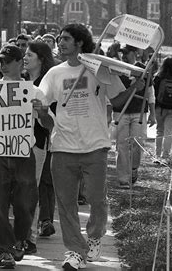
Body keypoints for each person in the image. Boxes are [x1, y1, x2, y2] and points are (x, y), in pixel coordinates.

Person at [38, 23, 144, 269]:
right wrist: (42, 113)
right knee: (65, 204)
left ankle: (95, 237)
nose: (60, 43)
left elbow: (117, 100)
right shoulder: (54, 73)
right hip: (63, 147)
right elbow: (43, 108)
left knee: (97, 200)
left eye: (66, 39)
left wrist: (134, 89)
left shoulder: (100, 69)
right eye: (59, 39)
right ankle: (75, 251)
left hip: (95, 146)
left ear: (80, 43)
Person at [0, 44, 51, 269]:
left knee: (25, 203)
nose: (2, 66)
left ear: (18, 63)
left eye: (7, 61)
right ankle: (4, 250)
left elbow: (49, 124)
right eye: (0, 61)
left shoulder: (33, 91)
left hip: (24, 153)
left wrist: (42, 112)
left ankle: (19, 239)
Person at [22, 41, 56, 254]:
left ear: (41, 59)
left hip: (37, 142)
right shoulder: (21, 81)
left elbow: (52, 122)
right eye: (24, 55)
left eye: (29, 55)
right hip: (14, 144)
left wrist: (42, 112)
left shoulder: (47, 85)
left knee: (31, 190)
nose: (25, 58)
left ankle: (29, 237)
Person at [113, 45, 156, 189]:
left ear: (135, 53)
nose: (124, 56)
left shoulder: (144, 69)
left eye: (127, 53)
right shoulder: (116, 68)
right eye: (122, 53)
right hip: (121, 112)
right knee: (121, 145)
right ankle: (123, 178)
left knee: (138, 144)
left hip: (139, 111)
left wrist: (153, 114)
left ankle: (133, 169)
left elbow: (150, 93)